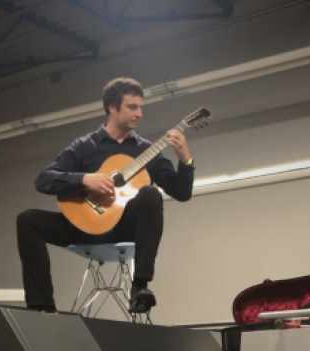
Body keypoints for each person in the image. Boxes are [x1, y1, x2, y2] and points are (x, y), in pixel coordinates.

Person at [16, 77, 195, 314]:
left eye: (141, 107)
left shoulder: (147, 150)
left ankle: (140, 287)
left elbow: (182, 193)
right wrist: (83, 179)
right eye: (132, 107)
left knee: (151, 193)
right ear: (112, 107)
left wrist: (185, 159)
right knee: (27, 220)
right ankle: (42, 307)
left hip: (122, 227)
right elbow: (43, 180)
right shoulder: (84, 145)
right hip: (83, 225)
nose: (139, 113)